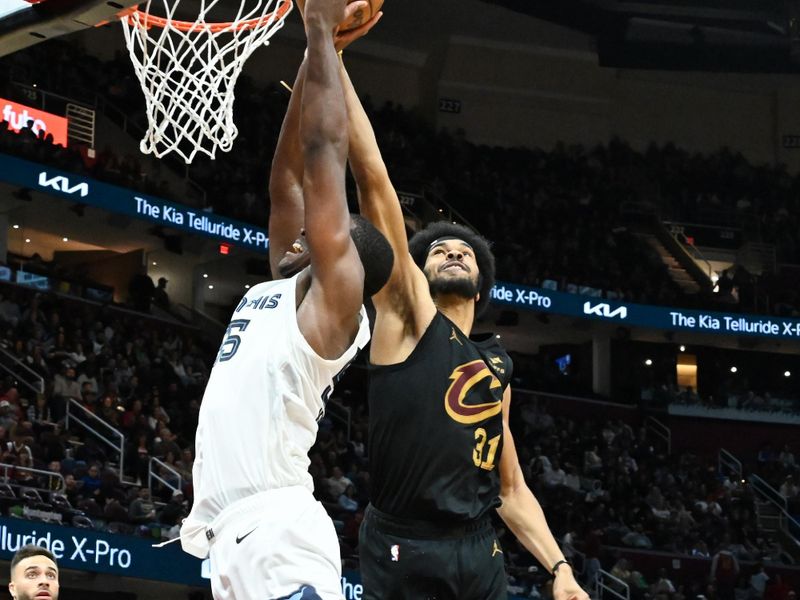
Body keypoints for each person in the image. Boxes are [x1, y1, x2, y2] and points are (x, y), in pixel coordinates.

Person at [339, 48, 590, 600]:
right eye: (439, 251)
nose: (453, 253)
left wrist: (559, 569)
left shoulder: (495, 364)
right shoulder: (404, 316)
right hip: (405, 544)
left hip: (479, 549)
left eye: (465, 253)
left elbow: (512, 488)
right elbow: (374, 178)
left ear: (482, 284)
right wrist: (333, 58)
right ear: (415, 273)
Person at [177, 2, 391, 599]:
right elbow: (288, 180)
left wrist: (321, 26)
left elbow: (325, 155)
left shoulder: (330, 311)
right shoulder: (281, 287)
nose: (303, 232)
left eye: (324, 232)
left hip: (277, 533)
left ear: (345, 263)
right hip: (235, 538)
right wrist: (321, 51)